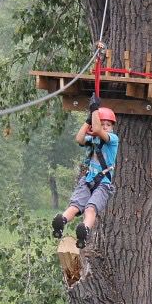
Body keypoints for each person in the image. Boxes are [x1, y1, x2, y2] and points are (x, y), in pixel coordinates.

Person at [52, 102, 120, 249]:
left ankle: (85, 230)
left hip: (103, 183)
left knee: (90, 208)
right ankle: (62, 221)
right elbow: (79, 138)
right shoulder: (93, 139)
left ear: (112, 127)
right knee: (76, 204)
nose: (104, 127)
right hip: (88, 179)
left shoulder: (113, 140)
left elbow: (97, 130)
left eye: (108, 125)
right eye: (102, 124)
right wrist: (88, 120)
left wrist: (95, 110)